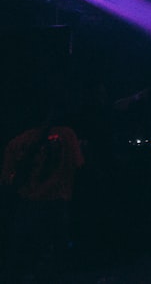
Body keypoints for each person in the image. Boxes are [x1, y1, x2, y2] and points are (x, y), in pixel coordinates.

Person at [1, 93, 85, 283]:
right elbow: (78, 165)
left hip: (27, 203)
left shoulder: (17, 142)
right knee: (54, 254)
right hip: (57, 201)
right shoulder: (67, 135)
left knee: (21, 253)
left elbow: (7, 179)